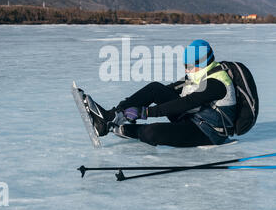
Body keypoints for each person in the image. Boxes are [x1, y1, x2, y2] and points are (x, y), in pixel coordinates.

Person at [89, 40, 237, 147]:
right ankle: (109, 118)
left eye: (189, 66)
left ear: (202, 63)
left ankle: (122, 129)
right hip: (193, 117)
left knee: (151, 132)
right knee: (155, 88)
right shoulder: (199, 75)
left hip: (208, 133)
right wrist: (128, 108)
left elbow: (185, 103)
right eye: (185, 65)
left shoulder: (216, 83)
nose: (186, 70)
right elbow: (168, 91)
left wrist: (144, 112)